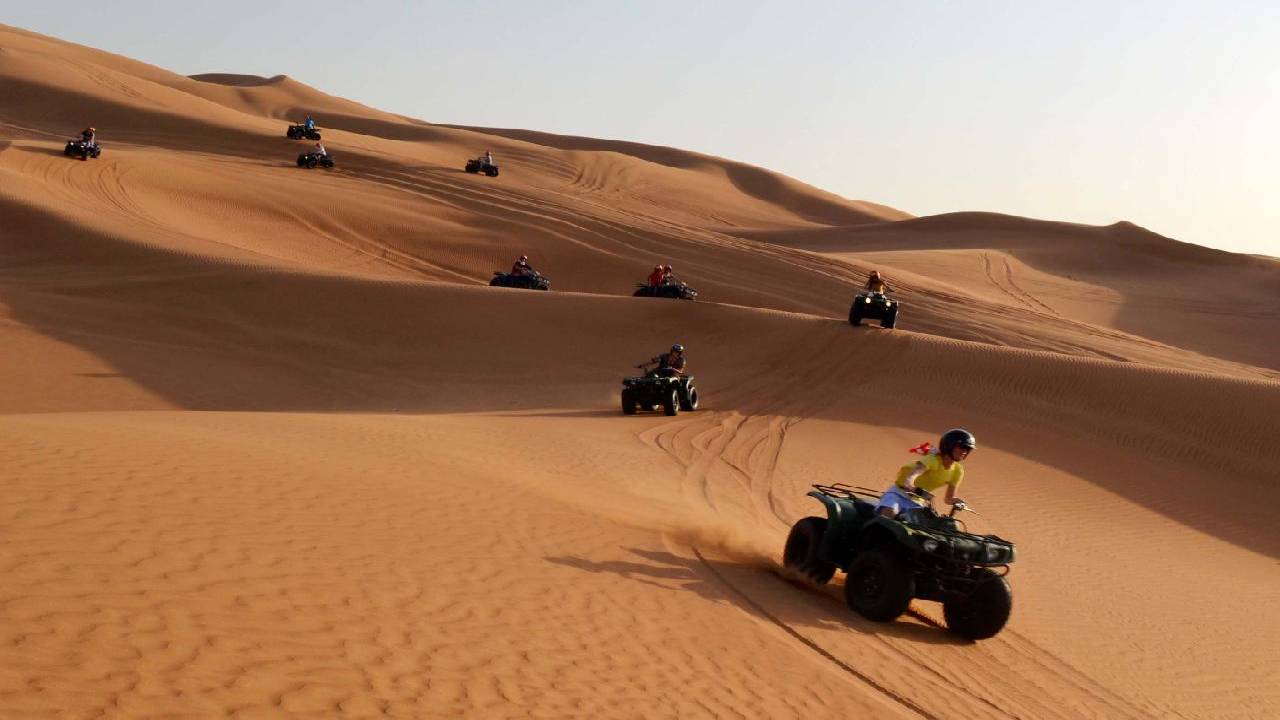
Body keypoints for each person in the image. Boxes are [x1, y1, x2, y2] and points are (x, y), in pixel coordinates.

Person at [875, 428, 976, 519]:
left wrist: (958, 502)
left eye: (968, 449)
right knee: (890, 513)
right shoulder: (933, 460)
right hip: (898, 495)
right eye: (962, 447)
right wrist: (909, 484)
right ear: (949, 445)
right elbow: (914, 474)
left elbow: (948, 499)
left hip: (918, 502)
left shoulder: (958, 471)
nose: (965, 451)